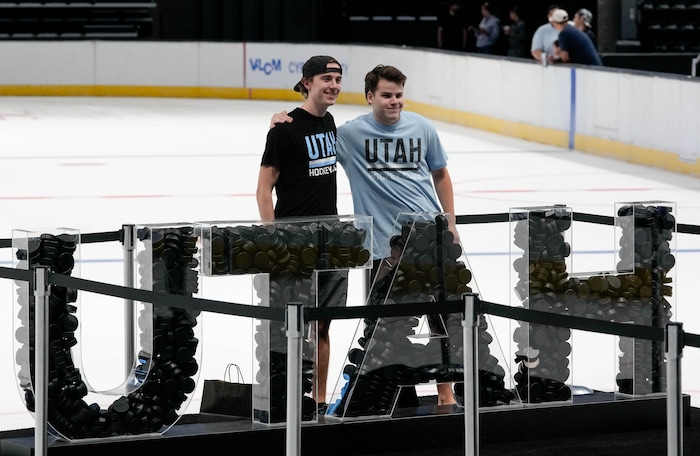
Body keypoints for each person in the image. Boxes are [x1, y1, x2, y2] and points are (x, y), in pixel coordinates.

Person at [270, 64, 460, 406]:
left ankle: (446, 395)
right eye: (387, 95)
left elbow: (441, 174)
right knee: (387, 327)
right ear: (370, 96)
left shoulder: (422, 127)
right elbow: (308, 142)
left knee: (440, 319)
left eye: (399, 95)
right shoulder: (349, 134)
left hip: (428, 238)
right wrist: (281, 122)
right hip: (381, 245)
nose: (394, 102)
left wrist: (451, 223)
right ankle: (401, 396)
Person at [256, 55, 348, 413]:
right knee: (290, 327)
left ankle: (319, 399)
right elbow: (264, 189)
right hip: (294, 243)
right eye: (327, 78)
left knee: (324, 326)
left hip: (332, 240)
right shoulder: (284, 129)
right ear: (307, 82)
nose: (334, 85)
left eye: (338, 79)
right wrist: (273, 238)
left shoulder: (331, 123)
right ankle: (289, 399)